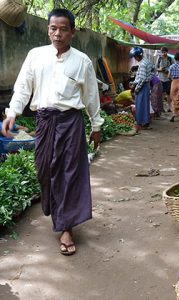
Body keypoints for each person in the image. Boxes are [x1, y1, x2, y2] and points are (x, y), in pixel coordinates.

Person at [1, 8, 104, 255]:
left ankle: (66, 228)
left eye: (63, 29)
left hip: (71, 122)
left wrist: (97, 125)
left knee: (69, 173)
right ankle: (59, 213)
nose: (57, 34)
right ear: (48, 29)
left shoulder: (82, 61)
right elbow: (23, 87)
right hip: (45, 122)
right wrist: (13, 112)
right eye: (53, 28)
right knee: (45, 170)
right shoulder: (35, 56)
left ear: (73, 32)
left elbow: (91, 96)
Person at [129, 47, 154, 132]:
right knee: (145, 104)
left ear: (137, 56)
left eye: (134, 57)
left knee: (140, 104)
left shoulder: (142, 64)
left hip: (143, 86)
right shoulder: (147, 61)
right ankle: (145, 121)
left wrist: (136, 88)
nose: (134, 59)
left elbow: (142, 79)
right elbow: (152, 71)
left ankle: (141, 122)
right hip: (146, 85)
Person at [168, 52, 179, 122]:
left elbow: (168, 76)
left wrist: (173, 80)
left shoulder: (171, 66)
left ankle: (173, 114)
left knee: (173, 99)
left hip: (174, 83)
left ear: (174, 58)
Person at [156, 47, 173, 112]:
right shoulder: (159, 58)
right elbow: (155, 68)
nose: (163, 53)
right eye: (162, 52)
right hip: (160, 78)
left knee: (168, 94)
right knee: (161, 94)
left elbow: (173, 68)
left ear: (167, 52)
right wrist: (160, 69)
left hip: (168, 79)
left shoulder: (170, 59)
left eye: (164, 52)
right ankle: (161, 108)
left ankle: (170, 107)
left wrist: (168, 71)